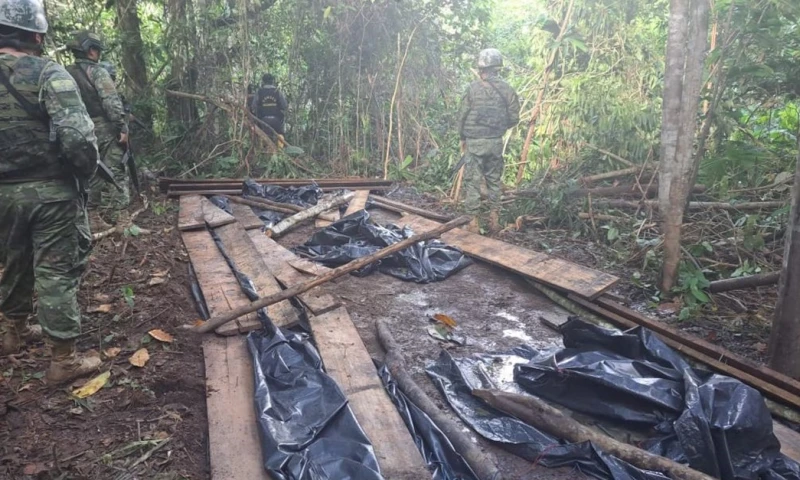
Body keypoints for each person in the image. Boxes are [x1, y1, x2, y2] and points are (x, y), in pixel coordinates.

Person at [0, 0, 102, 382]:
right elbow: (77, 137)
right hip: (51, 193)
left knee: (14, 260)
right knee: (55, 272)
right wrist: (82, 175)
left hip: (2, 196)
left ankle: (11, 333)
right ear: (36, 34)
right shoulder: (49, 73)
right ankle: (64, 360)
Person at [66, 31, 130, 231]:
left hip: (77, 130)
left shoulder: (63, 72)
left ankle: (93, 218)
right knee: (117, 170)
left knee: (91, 172)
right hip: (103, 127)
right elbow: (111, 101)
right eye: (97, 50)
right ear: (91, 50)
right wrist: (122, 127)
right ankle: (123, 221)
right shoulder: (97, 71)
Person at [457, 48, 520, 234]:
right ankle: (494, 220)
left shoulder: (472, 89)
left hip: (474, 142)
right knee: (494, 181)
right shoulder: (508, 90)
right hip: (495, 143)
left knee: (473, 182)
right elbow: (514, 118)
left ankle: (473, 223)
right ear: (498, 68)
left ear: (481, 68)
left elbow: (462, 116)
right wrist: (497, 129)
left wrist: (462, 137)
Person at [252, 73, 288, 144]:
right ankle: (280, 151)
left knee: (265, 137)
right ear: (273, 81)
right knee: (280, 134)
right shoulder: (278, 92)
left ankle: (263, 150)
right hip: (277, 120)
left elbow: (254, 106)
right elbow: (285, 106)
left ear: (263, 81)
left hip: (263, 119)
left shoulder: (259, 92)